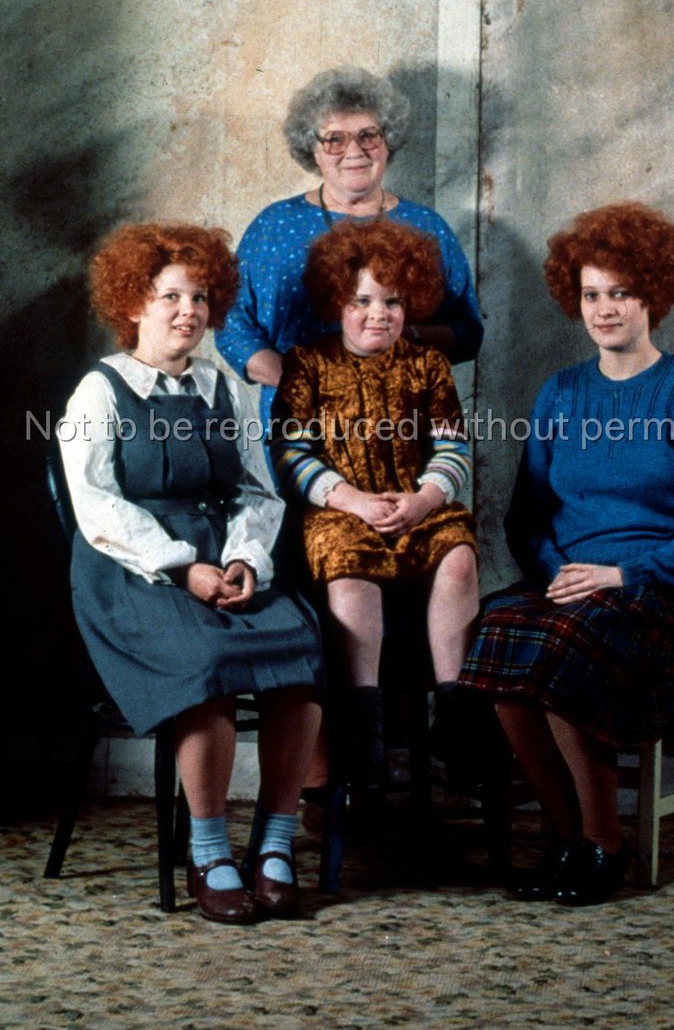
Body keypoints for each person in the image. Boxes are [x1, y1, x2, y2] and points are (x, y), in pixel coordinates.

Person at [458, 201, 674, 906]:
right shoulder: (560, 393)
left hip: (658, 591)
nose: (605, 309)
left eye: (621, 293)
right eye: (591, 295)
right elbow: (526, 518)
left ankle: (604, 842)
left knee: (563, 647)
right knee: (498, 632)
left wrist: (624, 572)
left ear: (653, 296)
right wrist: (558, 572)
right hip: (571, 583)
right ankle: (567, 837)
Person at [59, 223, 323, 926]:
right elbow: (96, 505)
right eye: (170, 296)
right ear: (133, 304)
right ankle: (208, 853)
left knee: (302, 656)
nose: (189, 311)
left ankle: (273, 843)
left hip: (223, 556)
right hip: (132, 570)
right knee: (207, 662)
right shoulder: (98, 392)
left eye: (200, 297)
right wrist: (182, 569)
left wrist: (244, 559)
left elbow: (257, 491)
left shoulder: (224, 387)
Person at [270, 219, 480, 793]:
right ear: (337, 301)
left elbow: (453, 445)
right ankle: (365, 724)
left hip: (415, 501)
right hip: (340, 508)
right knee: (348, 564)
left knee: (458, 552)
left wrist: (426, 498)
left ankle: (454, 713)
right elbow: (290, 451)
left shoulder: (427, 364)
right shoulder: (308, 364)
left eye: (392, 302)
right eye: (361, 301)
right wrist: (351, 499)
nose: (378, 315)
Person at [215, 66, 483, 460]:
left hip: (402, 425)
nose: (354, 151)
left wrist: (402, 336)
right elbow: (232, 324)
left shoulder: (427, 226)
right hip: (301, 427)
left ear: (388, 142)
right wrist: (305, 384)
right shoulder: (274, 225)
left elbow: (467, 331)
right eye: (335, 139)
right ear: (312, 149)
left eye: (368, 135)